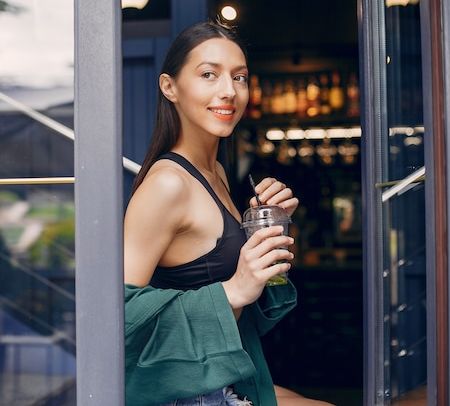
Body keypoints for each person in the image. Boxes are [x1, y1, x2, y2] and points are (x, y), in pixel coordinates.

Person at [124, 21, 334, 406]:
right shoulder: (168, 184)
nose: (228, 91)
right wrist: (234, 289)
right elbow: (117, 318)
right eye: (209, 74)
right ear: (169, 87)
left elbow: (229, 285)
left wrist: (264, 228)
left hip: (223, 377)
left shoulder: (215, 173)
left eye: (239, 77)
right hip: (190, 393)